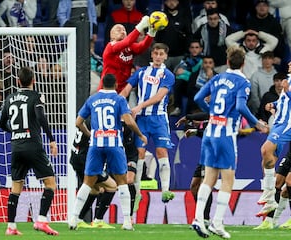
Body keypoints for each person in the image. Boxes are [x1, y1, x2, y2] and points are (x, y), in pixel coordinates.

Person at [191, 45, 269, 239]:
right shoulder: (243, 82)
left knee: (209, 177)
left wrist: (211, 111)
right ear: (243, 64)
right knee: (228, 179)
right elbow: (242, 106)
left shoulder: (217, 78)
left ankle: (198, 218)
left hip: (210, 131)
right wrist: (257, 123)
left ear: (227, 62)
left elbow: (198, 97)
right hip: (226, 133)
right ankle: (217, 222)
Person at [68, 73, 147, 231]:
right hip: (114, 144)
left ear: (102, 83)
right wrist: (140, 135)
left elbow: (78, 122)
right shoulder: (119, 99)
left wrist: (90, 134)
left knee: (87, 183)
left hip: (96, 144)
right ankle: (126, 221)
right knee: (122, 182)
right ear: (116, 84)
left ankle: (74, 219)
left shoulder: (93, 99)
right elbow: (129, 121)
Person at [0, 67, 59, 236]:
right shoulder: (36, 96)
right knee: (50, 184)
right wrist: (51, 139)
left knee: (16, 187)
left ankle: (11, 227)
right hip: (33, 146)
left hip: (16, 147)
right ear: (33, 80)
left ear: (18, 81)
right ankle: (41, 220)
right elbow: (40, 117)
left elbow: (1, 123)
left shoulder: (9, 98)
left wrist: (15, 133)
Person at [120, 42, 176, 203]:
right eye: (156, 53)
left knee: (161, 152)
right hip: (141, 120)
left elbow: (159, 97)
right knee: (140, 153)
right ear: (152, 54)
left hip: (158, 118)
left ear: (166, 56)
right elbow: (126, 90)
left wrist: (139, 106)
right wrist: (117, 103)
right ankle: (137, 193)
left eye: (161, 54)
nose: (158, 57)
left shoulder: (168, 75)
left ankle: (165, 190)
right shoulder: (141, 72)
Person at [257, 62, 291, 219]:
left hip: (286, 124)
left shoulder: (287, 83)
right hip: (278, 122)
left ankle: (269, 195)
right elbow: (284, 101)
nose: (289, 63)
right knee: (266, 160)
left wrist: (287, 90)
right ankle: (269, 197)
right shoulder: (288, 79)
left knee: (265, 150)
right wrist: (274, 104)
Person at [69, 119, 117, 229]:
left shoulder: (88, 120)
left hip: (75, 158)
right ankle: (98, 220)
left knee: (94, 189)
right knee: (112, 186)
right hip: (85, 161)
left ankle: (79, 219)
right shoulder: (99, 123)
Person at [97, 15, 155, 94]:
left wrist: (152, 32)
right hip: (107, 89)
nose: (122, 31)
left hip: (123, 90)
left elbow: (142, 46)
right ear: (111, 37)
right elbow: (127, 42)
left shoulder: (130, 47)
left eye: (124, 30)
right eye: (118, 30)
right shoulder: (110, 46)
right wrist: (141, 26)